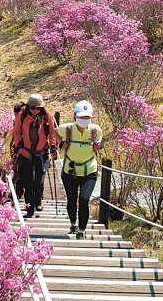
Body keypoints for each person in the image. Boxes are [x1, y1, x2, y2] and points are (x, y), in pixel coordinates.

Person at [57, 100, 103, 240]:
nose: (84, 120)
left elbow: (99, 141)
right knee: (72, 199)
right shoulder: (67, 129)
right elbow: (54, 132)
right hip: (70, 171)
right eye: (81, 117)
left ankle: (82, 230)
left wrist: (98, 145)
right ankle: (73, 224)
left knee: (84, 199)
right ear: (74, 116)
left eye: (87, 117)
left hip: (89, 170)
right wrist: (60, 144)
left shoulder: (95, 130)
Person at [13, 94, 57, 218]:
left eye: (38, 108)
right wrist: (18, 147)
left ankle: (38, 200)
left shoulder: (46, 116)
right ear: (28, 106)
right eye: (32, 107)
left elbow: (52, 133)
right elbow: (16, 132)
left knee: (39, 181)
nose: (35, 110)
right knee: (27, 182)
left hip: (41, 153)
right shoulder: (22, 116)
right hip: (25, 153)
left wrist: (53, 147)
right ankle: (29, 207)